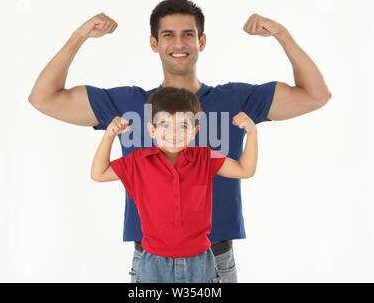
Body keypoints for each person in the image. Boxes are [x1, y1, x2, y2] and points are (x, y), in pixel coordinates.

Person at [28, 0, 331, 282]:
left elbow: (316, 95)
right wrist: (79, 36)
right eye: (168, 34)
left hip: (215, 255)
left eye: (188, 34)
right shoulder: (129, 103)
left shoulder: (234, 99)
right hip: (150, 257)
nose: (178, 43)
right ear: (153, 43)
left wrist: (283, 34)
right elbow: (43, 99)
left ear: (202, 41)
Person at [91, 87, 258, 282]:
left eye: (183, 126)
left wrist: (252, 132)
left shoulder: (206, 157)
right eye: (165, 124)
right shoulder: (138, 161)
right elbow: (98, 173)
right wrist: (109, 135)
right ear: (152, 130)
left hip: (200, 261)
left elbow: (245, 170)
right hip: (153, 263)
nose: (174, 133)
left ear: (195, 130)